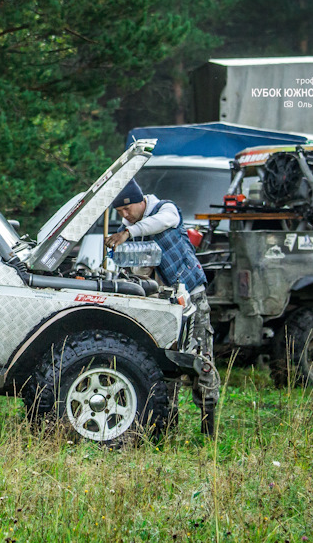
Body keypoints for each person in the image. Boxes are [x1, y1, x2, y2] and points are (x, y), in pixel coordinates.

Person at [104, 178, 220, 436]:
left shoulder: (165, 209)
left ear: (141, 200)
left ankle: (209, 428)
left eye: (127, 209)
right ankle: (167, 426)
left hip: (192, 297)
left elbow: (161, 223)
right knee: (164, 361)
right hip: (162, 303)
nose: (125, 216)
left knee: (202, 361)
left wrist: (128, 233)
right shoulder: (129, 226)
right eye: (120, 212)